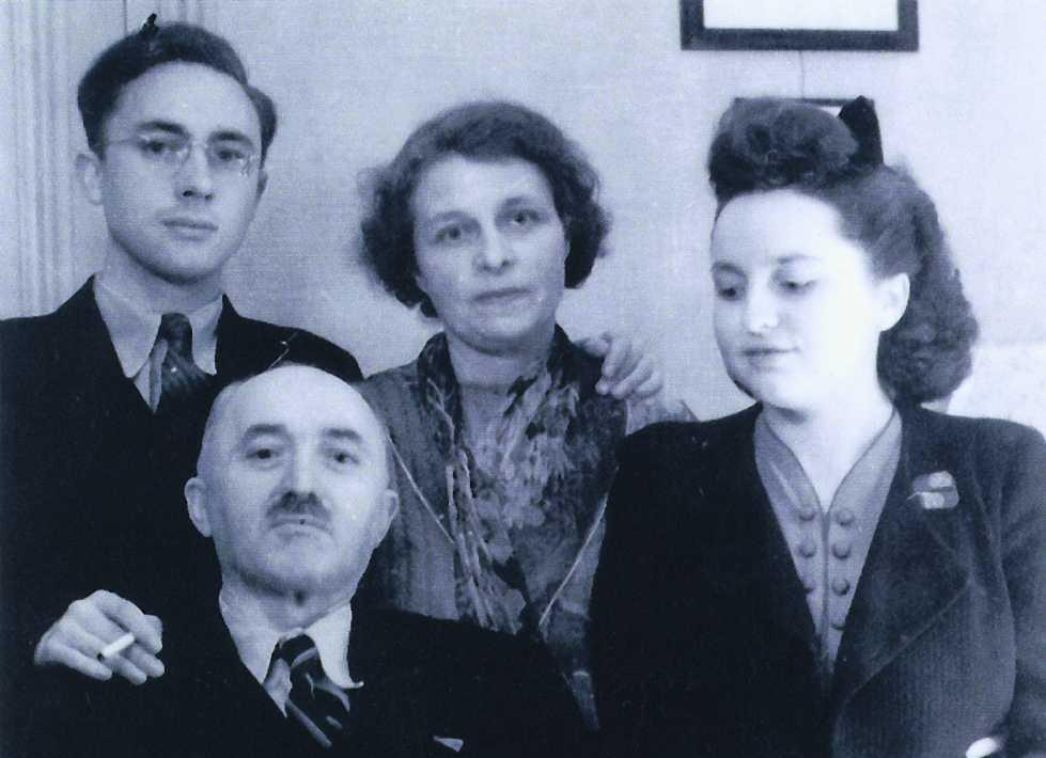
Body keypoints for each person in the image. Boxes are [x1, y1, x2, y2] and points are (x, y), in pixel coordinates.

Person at [592, 97, 1046, 757]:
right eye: (729, 288)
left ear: (888, 298)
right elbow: (633, 733)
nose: (754, 318)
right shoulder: (661, 477)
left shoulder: (1004, 471)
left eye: (795, 284)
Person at [0, 18, 360, 736]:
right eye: (160, 147)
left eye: (228, 156)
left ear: (256, 189)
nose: (197, 183)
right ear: (92, 174)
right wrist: (29, 633)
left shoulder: (314, 371)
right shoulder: (8, 367)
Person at [24, 365, 588, 756]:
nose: (301, 485)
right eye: (265, 453)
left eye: (340, 457)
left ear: (382, 518)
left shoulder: (504, 685)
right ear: (201, 506)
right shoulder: (107, 688)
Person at [357, 99, 682, 728]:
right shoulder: (359, 427)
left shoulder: (650, 422)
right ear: (414, 265)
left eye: (521, 218)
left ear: (568, 235)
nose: (494, 256)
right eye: (453, 232)